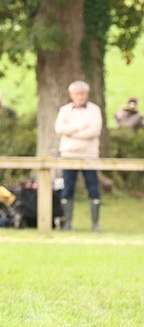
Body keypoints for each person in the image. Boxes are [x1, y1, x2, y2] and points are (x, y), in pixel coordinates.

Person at [55, 80, 103, 231]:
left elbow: (94, 131)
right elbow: (59, 128)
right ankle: (67, 222)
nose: (80, 96)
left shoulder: (94, 110)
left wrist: (72, 133)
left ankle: (95, 224)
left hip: (89, 156)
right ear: (71, 95)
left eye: (82, 93)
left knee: (93, 187)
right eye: (77, 93)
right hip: (68, 155)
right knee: (68, 188)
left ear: (87, 94)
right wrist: (82, 126)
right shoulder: (65, 110)